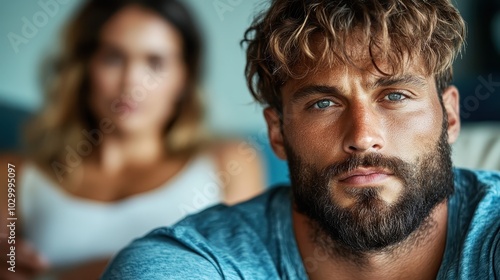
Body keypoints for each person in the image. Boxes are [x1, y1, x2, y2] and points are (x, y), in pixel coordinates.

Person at [102, 0, 500, 279]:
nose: (362, 137)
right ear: (277, 132)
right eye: (323, 103)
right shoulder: (195, 263)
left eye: (394, 96)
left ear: (449, 116)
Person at [0, 0, 264, 279]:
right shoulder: (12, 173)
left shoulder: (229, 163)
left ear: (183, 77)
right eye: (113, 57)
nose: (131, 82)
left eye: (155, 62)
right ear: (85, 68)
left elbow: (245, 272)